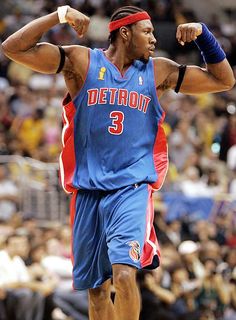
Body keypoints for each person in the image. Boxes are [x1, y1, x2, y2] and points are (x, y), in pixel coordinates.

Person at [2, 4, 235, 320]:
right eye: (147, 31)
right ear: (125, 32)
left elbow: (224, 81)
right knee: (97, 292)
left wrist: (205, 37)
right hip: (88, 191)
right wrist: (58, 16)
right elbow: (12, 48)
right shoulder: (82, 61)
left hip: (131, 188)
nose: (154, 39)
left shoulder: (158, 71)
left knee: (125, 275)